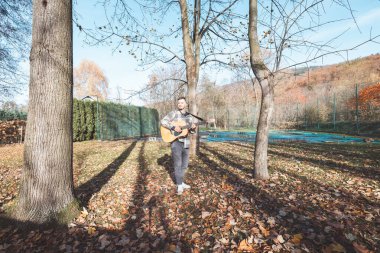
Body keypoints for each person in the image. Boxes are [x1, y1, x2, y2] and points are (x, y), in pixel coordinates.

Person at [161, 97, 197, 195]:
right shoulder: (173, 113)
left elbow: (191, 131)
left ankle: (181, 182)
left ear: (186, 104)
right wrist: (173, 127)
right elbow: (163, 122)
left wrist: (193, 128)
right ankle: (179, 185)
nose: (180, 104)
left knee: (184, 165)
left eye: (182, 103)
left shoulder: (189, 117)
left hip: (186, 142)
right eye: (179, 103)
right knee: (178, 164)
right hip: (176, 142)